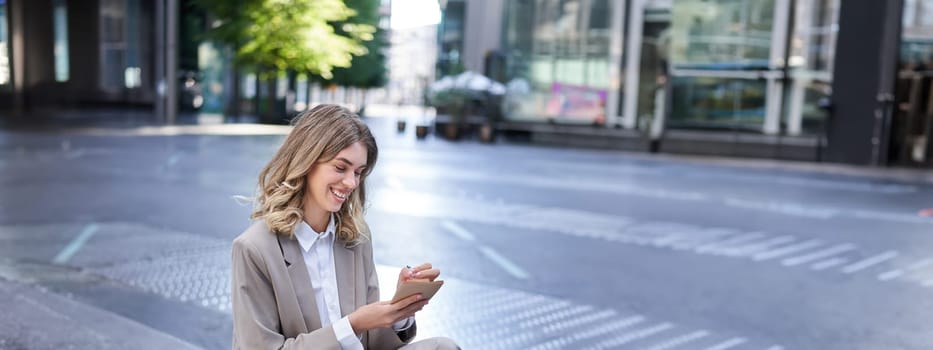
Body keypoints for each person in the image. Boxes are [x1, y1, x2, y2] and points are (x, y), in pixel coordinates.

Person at [231, 104, 459, 349]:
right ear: (306, 161)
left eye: (358, 172)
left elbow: (373, 343)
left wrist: (398, 311)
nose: (351, 183)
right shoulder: (254, 250)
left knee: (443, 347)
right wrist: (352, 325)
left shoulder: (356, 238)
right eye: (340, 167)